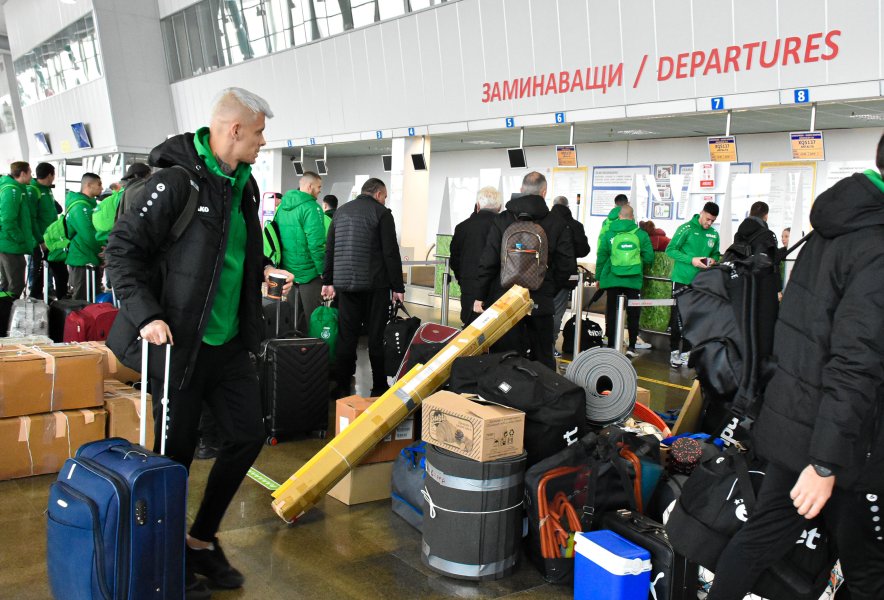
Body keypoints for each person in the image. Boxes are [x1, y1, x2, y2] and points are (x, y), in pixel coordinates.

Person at [105, 87, 293, 600]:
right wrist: (146, 316)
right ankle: (167, 550)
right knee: (176, 457)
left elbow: (227, 258)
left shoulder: (244, 187)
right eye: (258, 133)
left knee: (247, 434)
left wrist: (264, 273)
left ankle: (199, 539)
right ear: (234, 130)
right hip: (178, 346)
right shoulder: (173, 182)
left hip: (229, 343)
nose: (262, 142)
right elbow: (120, 255)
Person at [707, 139, 884, 600]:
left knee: (760, 540)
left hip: (798, 423)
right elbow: (855, 361)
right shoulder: (876, 244)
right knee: (870, 573)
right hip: (844, 445)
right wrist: (825, 463)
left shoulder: (832, 228)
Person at [473, 171, 577, 370]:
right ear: (544, 192)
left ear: (521, 190)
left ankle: (504, 395)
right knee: (542, 359)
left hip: (506, 300)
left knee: (504, 358)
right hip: (540, 302)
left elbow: (489, 261)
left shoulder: (503, 219)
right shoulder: (556, 222)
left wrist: (481, 295)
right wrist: (547, 288)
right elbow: (566, 265)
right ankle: (541, 398)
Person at [322, 178, 404, 397]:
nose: (385, 201)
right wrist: (398, 286)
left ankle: (341, 385)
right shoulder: (382, 214)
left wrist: (327, 281)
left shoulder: (340, 213)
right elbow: (390, 252)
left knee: (346, 336)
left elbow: (329, 249)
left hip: (346, 285)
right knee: (376, 337)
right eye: (385, 197)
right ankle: (378, 386)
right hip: (375, 285)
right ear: (378, 194)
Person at [665, 201, 720, 368]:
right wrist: (692, 260)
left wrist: (712, 261)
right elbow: (670, 249)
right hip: (682, 278)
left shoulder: (713, 234)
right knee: (678, 316)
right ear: (702, 213)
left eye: (713, 221)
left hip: (701, 282)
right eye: (708, 219)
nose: (709, 223)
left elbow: (716, 254)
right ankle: (674, 351)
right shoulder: (686, 228)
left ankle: (687, 352)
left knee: (694, 317)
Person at [596, 205, 654, 357]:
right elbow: (649, 258)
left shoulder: (609, 234)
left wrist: (598, 277)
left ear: (619, 216)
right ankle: (632, 347)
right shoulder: (641, 235)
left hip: (612, 278)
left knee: (612, 312)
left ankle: (610, 344)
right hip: (633, 280)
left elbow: (601, 257)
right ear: (632, 217)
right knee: (633, 313)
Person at [275, 171, 326, 332]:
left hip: (288, 271)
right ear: (310, 186)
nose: (319, 191)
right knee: (314, 318)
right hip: (309, 272)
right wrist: (323, 271)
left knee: (291, 317)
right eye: (318, 187)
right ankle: (313, 353)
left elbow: (275, 235)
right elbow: (316, 244)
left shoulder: (282, 206)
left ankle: (292, 353)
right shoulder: (312, 208)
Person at [450, 186, 502, 327]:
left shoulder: (462, 227)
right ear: (500, 207)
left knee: (470, 331)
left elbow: (454, 259)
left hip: (469, 287)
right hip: (498, 290)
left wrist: (463, 280)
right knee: (495, 331)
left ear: (478, 205)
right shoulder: (505, 227)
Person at [549, 195, 590, 355]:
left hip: (543, 276)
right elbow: (583, 250)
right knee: (557, 313)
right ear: (568, 207)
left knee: (539, 312)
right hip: (565, 276)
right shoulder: (575, 225)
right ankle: (550, 347)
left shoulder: (544, 221)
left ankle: (536, 346)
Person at [65, 172, 103, 300]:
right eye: (99, 184)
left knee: (93, 296)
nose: (101, 187)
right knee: (81, 298)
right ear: (88, 185)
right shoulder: (80, 206)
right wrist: (102, 250)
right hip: (82, 258)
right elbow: (89, 234)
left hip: (90, 257)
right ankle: (76, 321)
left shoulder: (90, 205)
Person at [0, 161, 35, 299]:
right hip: (11, 244)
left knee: (8, 284)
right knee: (15, 284)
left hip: (9, 243)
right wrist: (19, 238)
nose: (32, 176)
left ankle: (5, 316)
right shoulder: (11, 190)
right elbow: (8, 220)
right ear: (23, 173)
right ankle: (8, 317)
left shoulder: (16, 189)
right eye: (30, 173)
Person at [27, 162, 61, 300]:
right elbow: (32, 218)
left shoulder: (47, 189)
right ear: (49, 175)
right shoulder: (33, 190)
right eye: (53, 175)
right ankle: (35, 296)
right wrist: (40, 240)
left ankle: (55, 294)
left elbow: (55, 209)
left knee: (57, 270)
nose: (54, 178)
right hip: (40, 240)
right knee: (38, 271)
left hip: (51, 239)